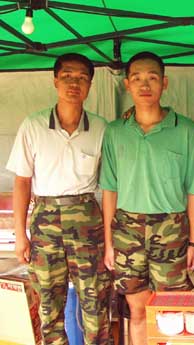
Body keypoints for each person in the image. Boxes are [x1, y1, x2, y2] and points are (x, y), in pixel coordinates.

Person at [100, 52, 194, 345]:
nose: (145, 85)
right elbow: (110, 189)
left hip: (171, 229)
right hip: (127, 230)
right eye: (137, 78)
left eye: (152, 78)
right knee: (138, 310)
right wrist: (109, 243)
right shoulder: (115, 132)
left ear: (165, 83)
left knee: (172, 312)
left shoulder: (185, 130)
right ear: (127, 84)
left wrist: (193, 241)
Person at [6, 53, 110, 344]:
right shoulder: (34, 125)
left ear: (90, 84)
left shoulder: (102, 128)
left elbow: (112, 183)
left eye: (81, 78)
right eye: (67, 76)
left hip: (87, 219)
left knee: (95, 297)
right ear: (55, 81)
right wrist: (21, 235)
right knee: (49, 300)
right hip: (45, 219)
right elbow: (22, 181)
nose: (73, 83)